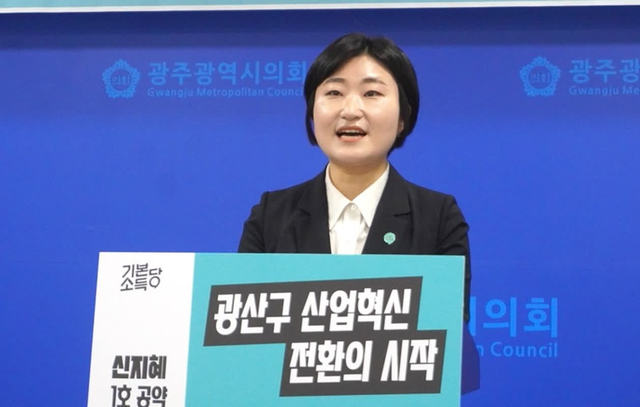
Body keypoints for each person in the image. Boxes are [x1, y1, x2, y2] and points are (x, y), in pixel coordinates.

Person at [238, 33, 479, 392]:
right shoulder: (271, 214)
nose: (350, 110)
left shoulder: (438, 217)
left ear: (403, 117)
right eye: (334, 92)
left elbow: (442, 340)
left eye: (371, 93)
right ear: (312, 111)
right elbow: (245, 340)